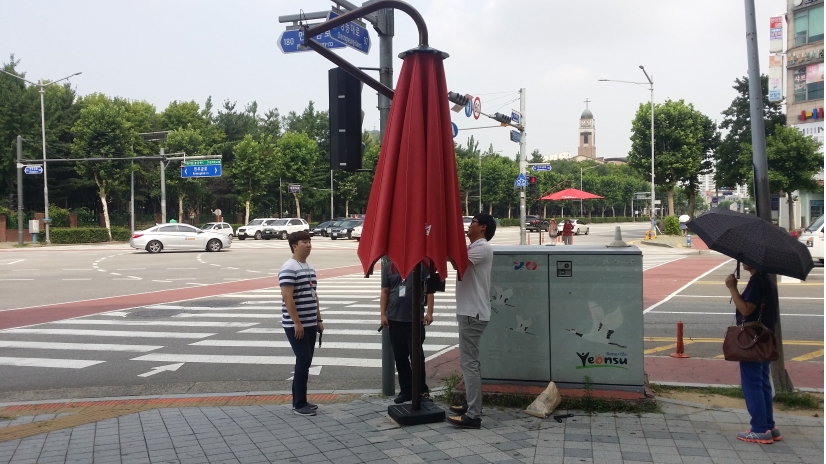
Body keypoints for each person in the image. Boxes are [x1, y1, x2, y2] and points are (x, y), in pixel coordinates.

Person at [447, 213, 496, 429]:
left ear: (483, 227)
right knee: (470, 362)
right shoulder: (475, 247)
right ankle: (471, 404)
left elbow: (458, 262)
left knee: (469, 364)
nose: (469, 226)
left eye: (473, 223)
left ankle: (473, 415)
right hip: (470, 312)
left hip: (472, 313)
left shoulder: (482, 247)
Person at [725, 264, 780, 444]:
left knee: (753, 384)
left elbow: (746, 309)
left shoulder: (757, 282)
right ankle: (769, 425)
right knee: (763, 382)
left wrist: (732, 288)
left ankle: (759, 429)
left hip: (752, 340)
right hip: (764, 337)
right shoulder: (767, 280)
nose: (741, 261)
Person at [279, 230, 323, 416]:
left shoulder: (308, 267)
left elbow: (314, 296)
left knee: (304, 361)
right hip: (296, 325)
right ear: (294, 246)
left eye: (309, 241)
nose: (308, 244)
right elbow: (287, 297)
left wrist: (318, 318)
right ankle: (298, 404)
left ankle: (301, 400)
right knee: (304, 360)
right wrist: (297, 322)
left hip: (310, 323)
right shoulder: (289, 268)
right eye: (304, 241)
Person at [380, 259, 435, 404]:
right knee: (400, 357)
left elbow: (429, 291)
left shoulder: (420, 265)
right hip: (395, 319)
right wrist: (383, 314)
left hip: (415, 320)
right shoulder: (388, 267)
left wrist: (429, 312)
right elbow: (385, 291)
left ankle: (421, 389)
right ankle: (406, 390)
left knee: (417, 356)